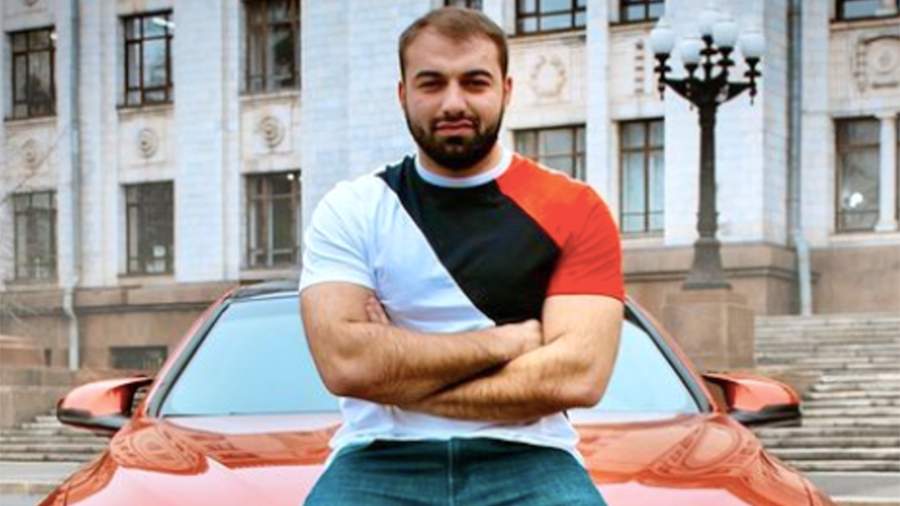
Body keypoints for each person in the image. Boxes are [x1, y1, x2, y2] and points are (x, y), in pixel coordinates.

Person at [299, 6, 624, 505]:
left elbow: (578, 376)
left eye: (474, 82)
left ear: (506, 91)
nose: (453, 103)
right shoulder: (353, 208)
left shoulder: (575, 208)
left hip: (531, 456)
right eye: (431, 84)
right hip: (379, 454)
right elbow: (346, 365)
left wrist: (397, 378)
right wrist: (506, 342)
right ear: (403, 94)